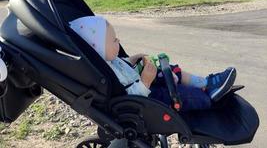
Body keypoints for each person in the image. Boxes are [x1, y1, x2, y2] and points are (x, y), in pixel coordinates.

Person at [69, 16, 236, 111]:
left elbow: (123, 65)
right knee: (185, 95)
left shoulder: (110, 59)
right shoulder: (105, 74)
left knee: (170, 70)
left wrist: (133, 59)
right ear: (97, 50)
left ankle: (206, 83)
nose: (118, 40)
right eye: (113, 40)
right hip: (146, 98)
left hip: (145, 83)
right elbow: (128, 96)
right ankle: (207, 97)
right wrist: (146, 81)